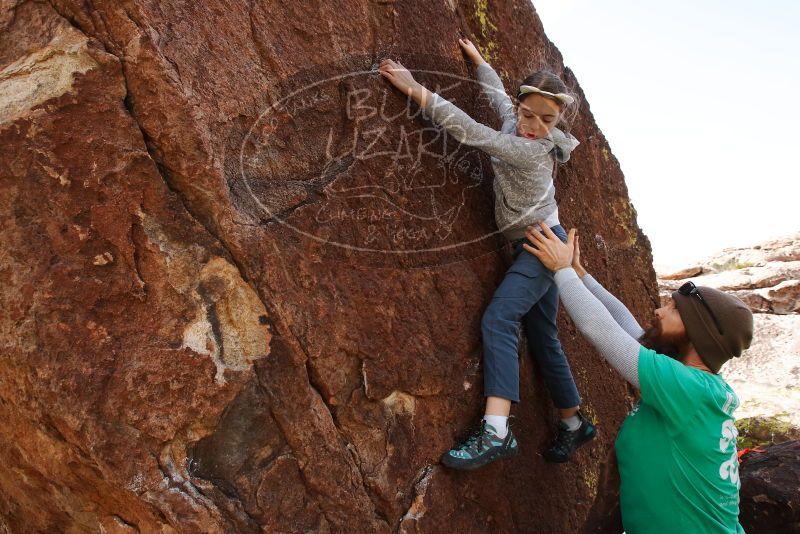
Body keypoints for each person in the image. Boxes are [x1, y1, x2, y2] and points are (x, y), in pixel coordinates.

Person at [378, 37, 595, 470]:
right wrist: (479, 61)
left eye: (546, 121)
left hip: (539, 244)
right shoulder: (515, 122)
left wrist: (414, 87)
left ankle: (496, 431)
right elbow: (497, 97)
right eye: (527, 113)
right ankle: (574, 424)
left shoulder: (530, 149)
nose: (533, 125)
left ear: (557, 124)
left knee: (499, 318)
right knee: (543, 334)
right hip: (533, 239)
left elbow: (470, 131)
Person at [523, 222, 753, 533]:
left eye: (673, 309)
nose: (660, 311)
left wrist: (561, 269)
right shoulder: (694, 385)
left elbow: (602, 331)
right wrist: (580, 275)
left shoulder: (687, 387)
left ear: (699, 333)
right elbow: (627, 329)